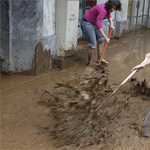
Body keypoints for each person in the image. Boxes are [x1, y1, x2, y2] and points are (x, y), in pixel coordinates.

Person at [80, 0, 122, 66]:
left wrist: (111, 24)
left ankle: (99, 59)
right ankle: (90, 62)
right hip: (87, 23)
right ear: (109, 5)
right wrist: (106, 37)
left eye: (114, 8)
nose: (113, 9)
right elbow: (98, 25)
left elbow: (109, 15)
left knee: (101, 40)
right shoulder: (103, 10)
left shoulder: (107, 8)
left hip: (93, 23)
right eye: (112, 8)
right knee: (92, 44)